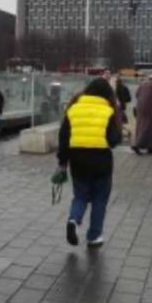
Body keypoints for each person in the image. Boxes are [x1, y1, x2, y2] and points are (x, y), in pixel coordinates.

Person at [56, 78, 122, 248]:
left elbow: (63, 138)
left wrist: (62, 161)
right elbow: (113, 140)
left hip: (77, 160)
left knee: (80, 196)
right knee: (100, 199)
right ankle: (94, 236)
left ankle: (73, 220)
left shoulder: (73, 109)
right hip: (101, 162)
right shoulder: (108, 110)